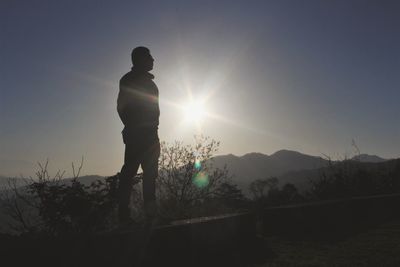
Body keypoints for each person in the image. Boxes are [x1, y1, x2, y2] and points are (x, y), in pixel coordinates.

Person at [117, 46, 160, 225]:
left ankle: (151, 217)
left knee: (150, 176)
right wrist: (134, 127)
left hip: (151, 136)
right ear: (140, 59)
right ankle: (124, 217)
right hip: (138, 135)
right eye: (149, 56)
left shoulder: (150, 83)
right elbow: (122, 107)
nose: (153, 60)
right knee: (129, 175)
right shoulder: (129, 80)